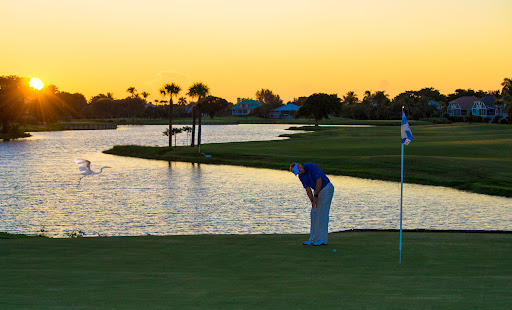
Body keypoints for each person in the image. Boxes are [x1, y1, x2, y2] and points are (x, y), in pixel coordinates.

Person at [289, 162, 334, 246]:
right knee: (314, 213)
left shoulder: (311, 166)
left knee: (322, 214)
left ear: (299, 166)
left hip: (326, 189)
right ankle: (313, 239)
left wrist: (316, 196)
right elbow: (307, 189)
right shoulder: (301, 176)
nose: (299, 173)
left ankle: (323, 240)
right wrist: (312, 201)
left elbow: (319, 181)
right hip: (318, 191)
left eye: (299, 171)